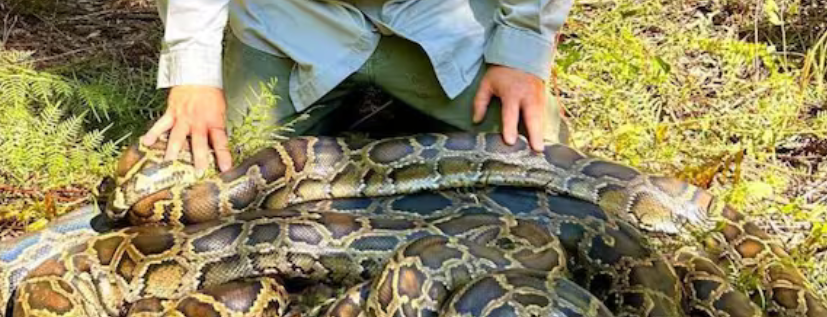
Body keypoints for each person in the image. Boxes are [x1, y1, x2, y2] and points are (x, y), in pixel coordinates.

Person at [142, 0, 573, 173]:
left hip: (440, 14)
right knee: (222, 167)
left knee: (539, 158)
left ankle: (399, 105)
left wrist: (520, 49)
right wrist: (194, 71)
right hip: (296, 17)